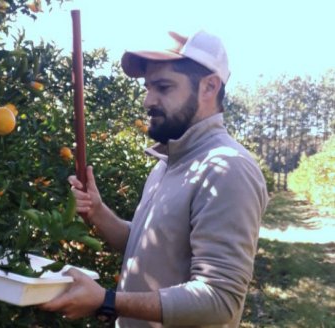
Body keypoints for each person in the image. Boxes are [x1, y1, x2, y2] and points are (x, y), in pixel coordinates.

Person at [40, 29, 269, 327]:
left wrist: (107, 301)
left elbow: (220, 299)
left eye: (163, 87)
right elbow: (151, 246)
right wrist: (98, 213)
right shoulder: (169, 163)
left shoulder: (227, 169)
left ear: (209, 87)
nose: (148, 100)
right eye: (147, 88)